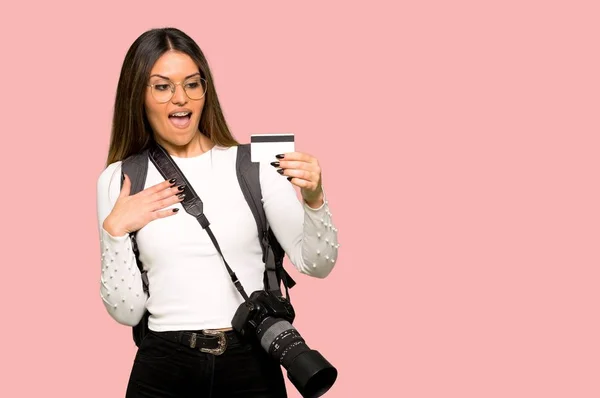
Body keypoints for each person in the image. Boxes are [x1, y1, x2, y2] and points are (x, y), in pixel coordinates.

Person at [95, 27, 339, 397]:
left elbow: (317, 264)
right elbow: (127, 313)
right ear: (138, 96)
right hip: (163, 364)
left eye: (192, 84)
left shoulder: (255, 162)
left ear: (205, 91)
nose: (180, 98)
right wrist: (114, 230)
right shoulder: (121, 178)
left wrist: (315, 198)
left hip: (252, 361)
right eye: (162, 87)